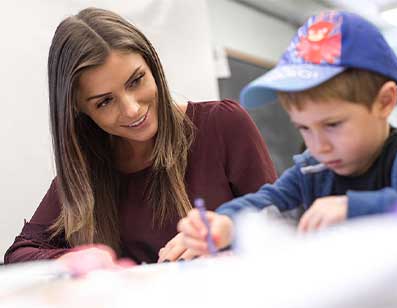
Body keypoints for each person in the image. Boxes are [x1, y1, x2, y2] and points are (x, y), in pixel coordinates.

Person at [4, 7, 276, 272]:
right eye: (105, 102)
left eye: (136, 81)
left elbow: (282, 220)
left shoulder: (222, 123)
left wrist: (226, 233)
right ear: (79, 109)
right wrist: (69, 259)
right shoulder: (84, 170)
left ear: (152, 65)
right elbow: (19, 253)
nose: (132, 109)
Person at [178, 11, 397, 255]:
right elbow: (268, 201)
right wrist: (226, 222)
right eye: (304, 128)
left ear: (385, 101)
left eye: (332, 125)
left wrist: (354, 209)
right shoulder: (312, 169)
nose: (319, 147)